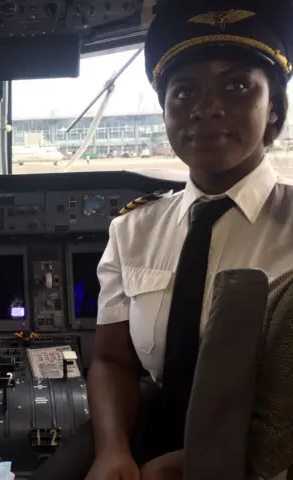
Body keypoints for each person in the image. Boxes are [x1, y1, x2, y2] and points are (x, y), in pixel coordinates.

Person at [31, 1, 293, 479]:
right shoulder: (133, 230)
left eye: (236, 86)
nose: (206, 107)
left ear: (273, 108)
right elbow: (112, 360)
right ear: (166, 113)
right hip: (154, 427)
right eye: (184, 91)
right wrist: (113, 449)